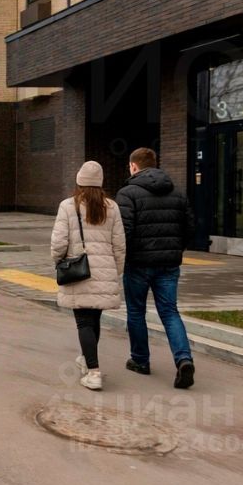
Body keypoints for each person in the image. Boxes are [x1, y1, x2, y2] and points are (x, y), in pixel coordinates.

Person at [116, 147, 197, 390]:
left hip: (138, 264)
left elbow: (124, 232)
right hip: (169, 264)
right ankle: (184, 359)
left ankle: (140, 360)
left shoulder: (127, 193)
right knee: (170, 312)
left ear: (133, 166)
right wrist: (175, 250)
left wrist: (124, 257)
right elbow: (189, 228)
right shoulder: (177, 192)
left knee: (136, 311)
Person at [50, 161, 126, 391]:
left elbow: (59, 243)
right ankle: (86, 359)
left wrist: (58, 261)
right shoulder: (112, 207)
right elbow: (120, 245)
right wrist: (115, 271)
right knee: (93, 320)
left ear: (79, 181)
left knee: (83, 322)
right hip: (105, 271)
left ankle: (93, 372)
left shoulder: (68, 206)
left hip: (79, 272)